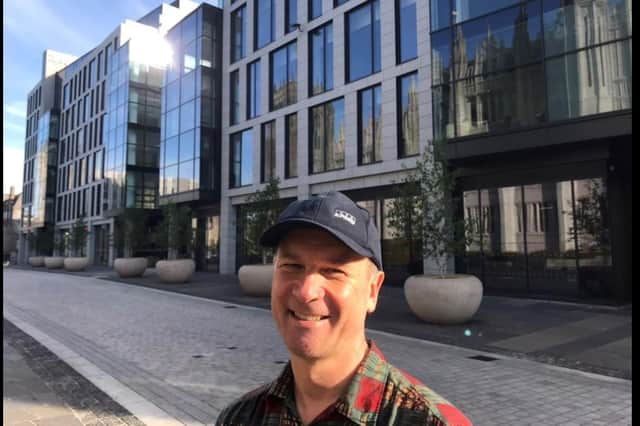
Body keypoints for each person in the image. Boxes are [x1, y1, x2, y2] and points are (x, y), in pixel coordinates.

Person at [217, 191, 471, 425]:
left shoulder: (429, 421)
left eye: (333, 271)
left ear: (373, 291)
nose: (306, 291)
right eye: (292, 266)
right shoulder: (241, 418)